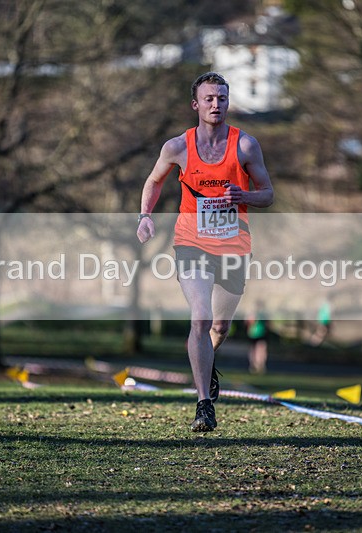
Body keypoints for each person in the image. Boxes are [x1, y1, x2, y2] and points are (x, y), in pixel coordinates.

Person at [137, 72, 274, 432]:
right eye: (210, 98)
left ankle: (207, 363)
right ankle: (204, 404)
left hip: (234, 246)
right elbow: (153, 181)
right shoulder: (177, 147)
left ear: (229, 102)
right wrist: (145, 216)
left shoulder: (245, 146)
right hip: (191, 243)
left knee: (220, 325)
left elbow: (268, 193)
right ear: (195, 104)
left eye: (222, 98)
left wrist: (244, 196)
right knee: (200, 317)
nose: (216, 105)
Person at [246, 300, 269, 374]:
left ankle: (260, 366)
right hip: (254, 333)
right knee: (255, 350)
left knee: (261, 350)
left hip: (261, 333)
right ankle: (254, 365)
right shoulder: (254, 313)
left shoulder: (264, 314)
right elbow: (249, 322)